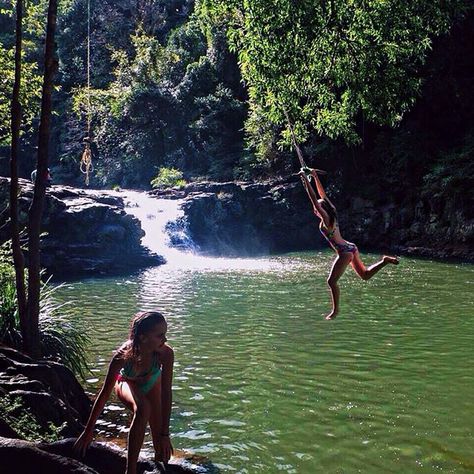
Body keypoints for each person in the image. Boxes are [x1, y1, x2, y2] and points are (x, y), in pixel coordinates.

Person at [74, 311, 174, 473]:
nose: (165, 339)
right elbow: (105, 394)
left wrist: (165, 433)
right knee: (143, 408)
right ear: (143, 337)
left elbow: (166, 393)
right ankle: (131, 470)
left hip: (152, 383)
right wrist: (89, 429)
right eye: (160, 335)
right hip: (126, 382)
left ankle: (157, 466)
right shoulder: (123, 355)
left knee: (161, 448)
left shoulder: (166, 353)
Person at [299, 168, 399, 320]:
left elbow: (315, 199)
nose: (314, 210)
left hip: (344, 252)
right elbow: (322, 196)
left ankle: (335, 310)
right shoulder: (332, 212)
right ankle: (384, 261)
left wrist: (305, 181)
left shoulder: (326, 220)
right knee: (365, 275)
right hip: (351, 247)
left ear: (321, 210)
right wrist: (314, 176)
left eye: (317, 209)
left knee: (331, 282)